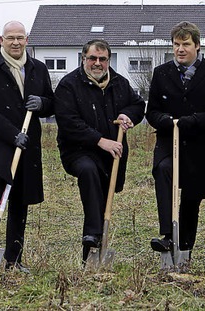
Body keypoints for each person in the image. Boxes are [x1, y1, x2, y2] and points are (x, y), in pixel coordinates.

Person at [0, 21, 54, 272]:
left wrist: (42, 102)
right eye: (11, 38)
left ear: (26, 40)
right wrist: (11, 134)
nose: (15, 42)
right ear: (1, 40)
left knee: (20, 199)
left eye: (20, 38)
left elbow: (51, 104)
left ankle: (13, 259)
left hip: (28, 141)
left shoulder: (38, 69)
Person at [146, 21, 205, 259]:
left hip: (199, 145)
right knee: (164, 171)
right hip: (168, 143)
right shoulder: (161, 73)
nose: (180, 49)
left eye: (186, 44)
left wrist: (195, 120)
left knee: (192, 197)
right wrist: (163, 119)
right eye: (176, 44)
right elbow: (151, 111)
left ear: (197, 46)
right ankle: (167, 235)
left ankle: (184, 247)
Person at [55, 39, 145, 263]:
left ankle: (92, 252)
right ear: (83, 58)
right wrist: (99, 140)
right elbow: (68, 122)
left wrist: (128, 115)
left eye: (102, 59)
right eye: (92, 58)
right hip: (78, 152)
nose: (97, 63)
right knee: (88, 171)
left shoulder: (119, 83)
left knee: (102, 198)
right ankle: (92, 236)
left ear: (108, 60)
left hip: (111, 155)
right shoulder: (69, 85)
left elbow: (138, 105)